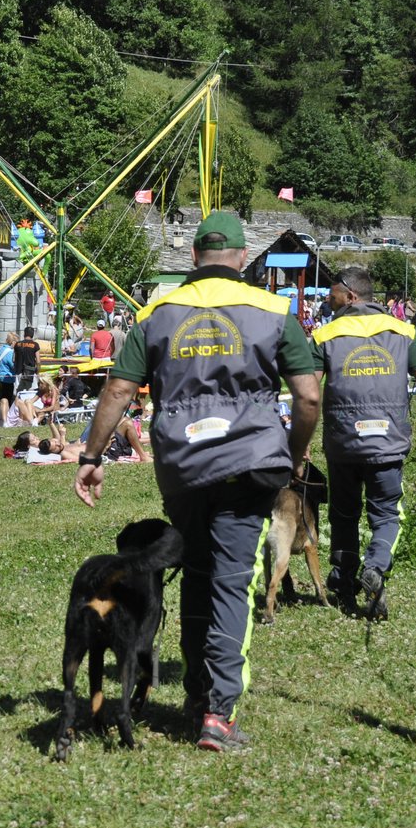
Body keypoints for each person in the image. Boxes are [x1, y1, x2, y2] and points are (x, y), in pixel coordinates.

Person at [73, 210, 321, 752]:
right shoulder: (274, 310)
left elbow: (118, 390)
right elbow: (307, 395)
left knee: (197, 573)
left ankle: (194, 693)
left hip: (182, 463)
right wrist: (296, 455)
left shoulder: (156, 312)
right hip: (251, 462)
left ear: (193, 258)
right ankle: (218, 714)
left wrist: (92, 454)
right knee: (232, 580)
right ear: (240, 258)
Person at [311, 266, 416, 620]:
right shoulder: (402, 332)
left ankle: (342, 581)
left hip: (343, 442)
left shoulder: (325, 335)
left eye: (332, 292)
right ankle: (377, 565)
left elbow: (309, 391)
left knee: (343, 514)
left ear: (351, 295)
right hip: (387, 441)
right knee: (386, 513)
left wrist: (301, 438)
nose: (327, 297)